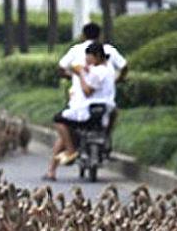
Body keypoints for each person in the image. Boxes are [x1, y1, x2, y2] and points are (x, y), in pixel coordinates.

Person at [45, 43, 115, 180]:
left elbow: (87, 91)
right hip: (105, 109)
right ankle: (104, 141)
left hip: (89, 111)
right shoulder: (108, 70)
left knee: (58, 120)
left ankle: (70, 150)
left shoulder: (96, 71)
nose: (87, 59)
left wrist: (82, 74)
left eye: (89, 56)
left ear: (97, 56)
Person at [59, 22, 128, 139]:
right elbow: (124, 67)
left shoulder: (76, 50)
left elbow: (61, 68)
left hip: (80, 99)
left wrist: (73, 76)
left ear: (83, 36)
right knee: (113, 111)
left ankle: (69, 150)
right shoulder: (109, 50)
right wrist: (117, 80)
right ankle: (107, 137)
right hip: (105, 101)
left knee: (65, 123)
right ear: (100, 36)